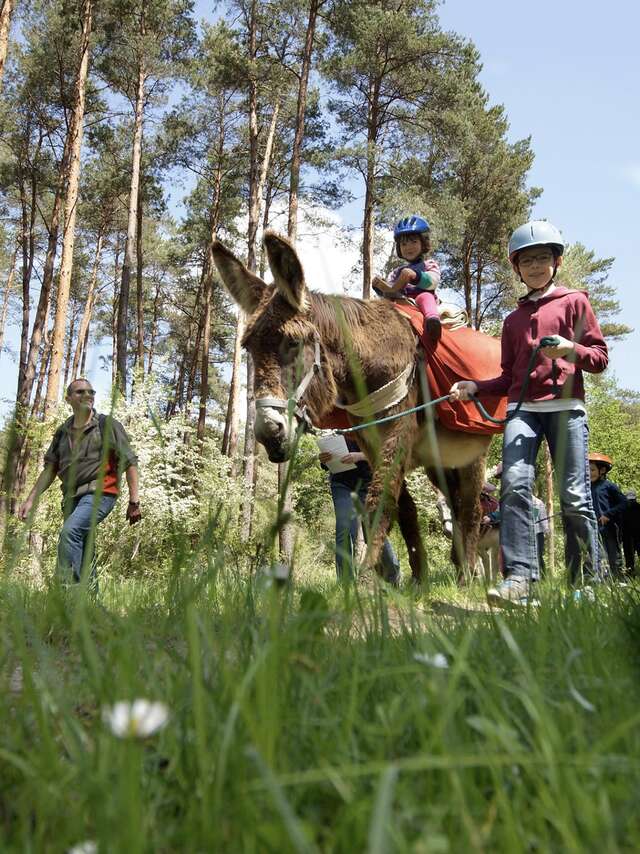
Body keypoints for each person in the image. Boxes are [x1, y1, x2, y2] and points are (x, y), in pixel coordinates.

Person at [449, 220, 608, 607]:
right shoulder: (512, 321)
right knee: (515, 487)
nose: (535, 266)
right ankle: (520, 580)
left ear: (557, 261)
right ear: (516, 268)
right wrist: (475, 387)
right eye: (527, 261)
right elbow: (508, 377)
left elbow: (599, 358)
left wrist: (569, 349)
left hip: (566, 408)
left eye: (542, 258)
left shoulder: (575, 302)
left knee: (574, 495)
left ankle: (588, 581)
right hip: (523, 411)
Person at [18, 377, 141, 588]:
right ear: (68, 399)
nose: (87, 395)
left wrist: (134, 501)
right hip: (71, 498)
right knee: (84, 549)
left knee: (70, 532)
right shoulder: (62, 432)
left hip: (100, 492)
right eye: (80, 392)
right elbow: (50, 469)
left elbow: (130, 462)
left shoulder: (107, 425)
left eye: (91, 392)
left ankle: (69, 595)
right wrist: (30, 500)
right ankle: (90, 602)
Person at [319, 437, 400, 584]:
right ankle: (345, 584)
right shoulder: (336, 429)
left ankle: (392, 577)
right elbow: (327, 462)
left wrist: (360, 456)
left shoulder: (369, 426)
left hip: (368, 482)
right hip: (341, 483)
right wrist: (324, 459)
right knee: (344, 528)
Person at [372, 215, 442, 341]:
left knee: (425, 296)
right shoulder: (396, 272)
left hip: (420, 300)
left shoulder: (429, 265)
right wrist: (380, 286)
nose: (408, 247)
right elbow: (391, 289)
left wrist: (416, 276)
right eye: (403, 244)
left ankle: (432, 321)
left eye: (414, 242)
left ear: (423, 243)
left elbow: (433, 281)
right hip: (401, 301)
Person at [588, 453, 628, 579]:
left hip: (609, 528)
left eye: (592, 470)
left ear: (602, 470)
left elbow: (624, 503)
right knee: (598, 557)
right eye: (587, 470)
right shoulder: (586, 488)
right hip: (594, 529)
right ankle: (602, 582)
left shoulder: (609, 486)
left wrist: (608, 514)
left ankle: (619, 580)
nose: (589, 473)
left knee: (614, 556)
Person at [621, 490, 640, 576]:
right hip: (637, 535)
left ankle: (630, 573)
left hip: (627, 536)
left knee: (629, 557)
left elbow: (620, 522)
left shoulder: (623, 509)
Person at [531, 491, 549, 577]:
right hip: (525, 534)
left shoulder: (538, 503)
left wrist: (546, 530)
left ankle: (542, 577)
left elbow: (543, 518)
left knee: (538, 556)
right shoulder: (521, 502)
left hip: (537, 534)